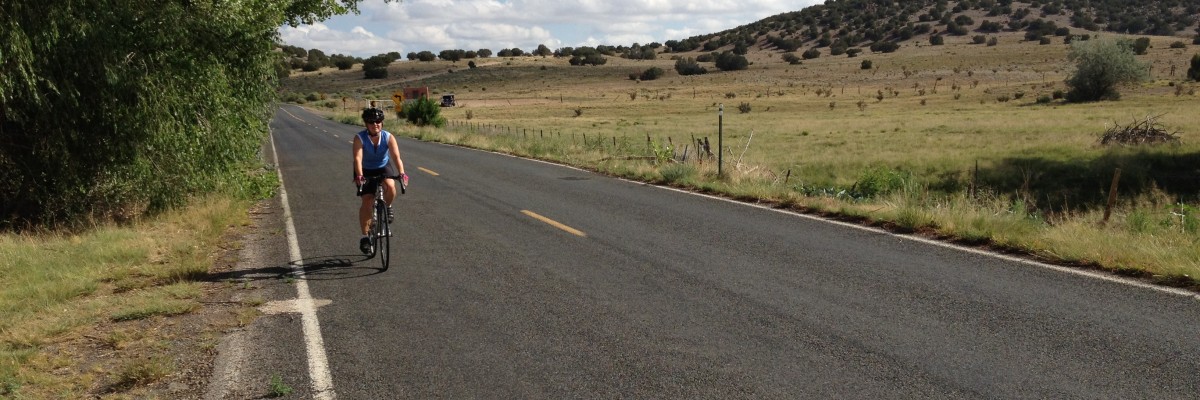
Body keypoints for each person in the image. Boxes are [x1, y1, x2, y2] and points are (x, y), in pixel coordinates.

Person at [353, 107, 408, 254]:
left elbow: (396, 157)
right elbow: (357, 158)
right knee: (367, 201)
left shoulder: (388, 137)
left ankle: (387, 207)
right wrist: (359, 176)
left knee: (391, 186)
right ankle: (365, 237)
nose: (375, 124)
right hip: (365, 170)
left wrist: (402, 173)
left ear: (382, 123)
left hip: (383, 166)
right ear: (366, 124)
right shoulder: (360, 138)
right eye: (371, 122)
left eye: (378, 121)